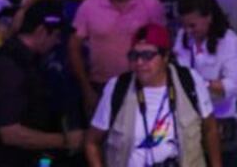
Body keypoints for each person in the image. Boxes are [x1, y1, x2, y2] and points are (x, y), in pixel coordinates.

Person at [0, 0, 85, 166]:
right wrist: (65, 140)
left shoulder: (29, 62)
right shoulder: (8, 69)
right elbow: (10, 132)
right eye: (56, 35)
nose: (58, 41)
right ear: (41, 32)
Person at [85, 23, 223, 167]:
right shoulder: (118, 87)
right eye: (134, 56)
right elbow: (91, 142)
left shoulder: (189, 80)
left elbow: (210, 129)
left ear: (165, 57)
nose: (139, 62)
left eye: (147, 56)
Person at [69, 0, 166, 114]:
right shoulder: (89, 6)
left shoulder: (151, 4)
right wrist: (86, 89)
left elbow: (162, 47)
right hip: (100, 85)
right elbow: (74, 47)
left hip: (141, 83)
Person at [175, 0, 237, 167]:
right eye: (185, 25)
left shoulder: (229, 41)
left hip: (223, 119)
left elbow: (235, 84)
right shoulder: (182, 37)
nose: (188, 31)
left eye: (193, 26)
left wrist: (201, 85)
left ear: (208, 17)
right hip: (190, 120)